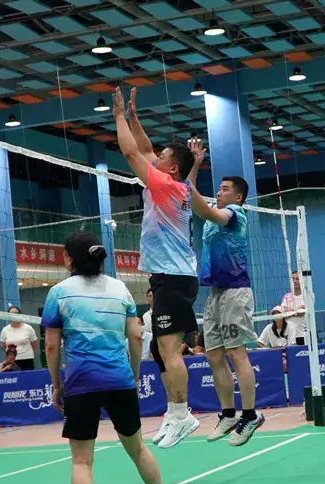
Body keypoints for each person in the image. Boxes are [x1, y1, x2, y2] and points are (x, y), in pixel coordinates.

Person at [43, 231, 173, 484]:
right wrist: (133, 376)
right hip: (120, 380)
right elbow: (136, 337)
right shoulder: (120, 289)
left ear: (69, 259)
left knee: (81, 461)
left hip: (81, 383)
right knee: (138, 449)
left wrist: (57, 385)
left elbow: (51, 346)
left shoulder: (59, 293)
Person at [114, 86, 200, 448]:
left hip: (174, 278)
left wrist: (118, 117)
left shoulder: (166, 185)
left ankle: (182, 415)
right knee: (160, 352)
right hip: (171, 277)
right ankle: (174, 412)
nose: (155, 159)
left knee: (169, 350)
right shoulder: (174, 183)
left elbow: (132, 152)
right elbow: (146, 149)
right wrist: (134, 118)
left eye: (162, 158)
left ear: (172, 168)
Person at [184, 140, 264, 445]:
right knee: (214, 355)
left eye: (225, 188)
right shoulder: (212, 213)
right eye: (218, 188)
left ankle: (250, 415)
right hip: (214, 294)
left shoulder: (234, 214)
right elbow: (189, 195)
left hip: (235, 292)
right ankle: (228, 413)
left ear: (238, 196)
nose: (220, 191)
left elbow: (200, 204)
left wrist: (192, 181)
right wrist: (195, 164)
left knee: (235, 353)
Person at [280, 271, 308, 345]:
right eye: (293, 279)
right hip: (288, 334)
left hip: (302, 333)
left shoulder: (307, 295)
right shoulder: (286, 296)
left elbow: (302, 312)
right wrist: (295, 311)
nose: (294, 281)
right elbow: (282, 312)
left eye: (297, 279)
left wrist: (288, 311)